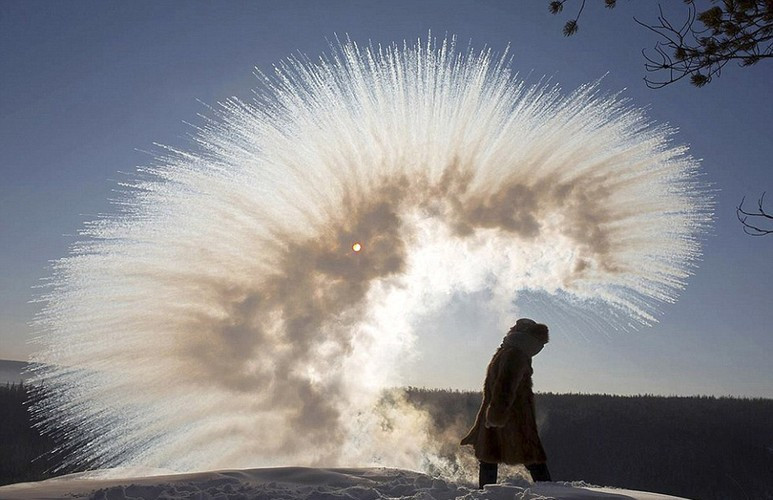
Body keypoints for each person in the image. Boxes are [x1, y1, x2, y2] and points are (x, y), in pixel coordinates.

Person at [460, 318, 552, 488]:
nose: (510, 328)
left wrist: (494, 416)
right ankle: (551, 492)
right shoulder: (515, 352)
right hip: (510, 415)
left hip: (504, 415)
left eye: (514, 327)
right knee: (529, 458)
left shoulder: (513, 353)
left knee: (493, 458)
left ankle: (487, 495)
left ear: (519, 332)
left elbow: (505, 387)